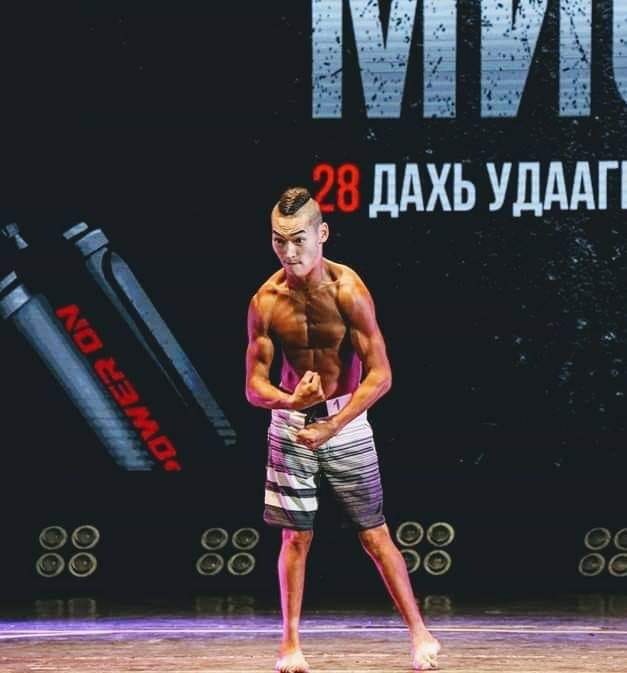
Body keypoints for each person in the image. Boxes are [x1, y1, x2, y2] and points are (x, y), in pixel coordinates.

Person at [245, 187, 441, 672]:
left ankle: (420, 633)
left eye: (299, 239)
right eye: (279, 241)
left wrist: (332, 424)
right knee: (295, 538)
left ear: (323, 234)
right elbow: (253, 386)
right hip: (291, 424)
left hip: (346, 420)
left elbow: (381, 374)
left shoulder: (348, 290)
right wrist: (291, 401)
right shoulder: (265, 301)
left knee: (374, 533)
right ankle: (290, 644)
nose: (289, 252)